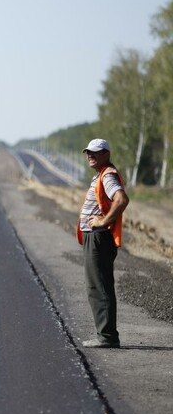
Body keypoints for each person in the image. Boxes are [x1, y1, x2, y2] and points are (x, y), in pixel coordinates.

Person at [77, 139, 129, 348]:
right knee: (97, 285)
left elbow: (121, 199)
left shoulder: (107, 175)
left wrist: (103, 221)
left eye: (95, 152)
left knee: (99, 285)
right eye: (88, 152)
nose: (90, 155)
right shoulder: (101, 174)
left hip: (99, 237)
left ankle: (107, 337)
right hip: (95, 237)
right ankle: (105, 334)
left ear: (106, 154)